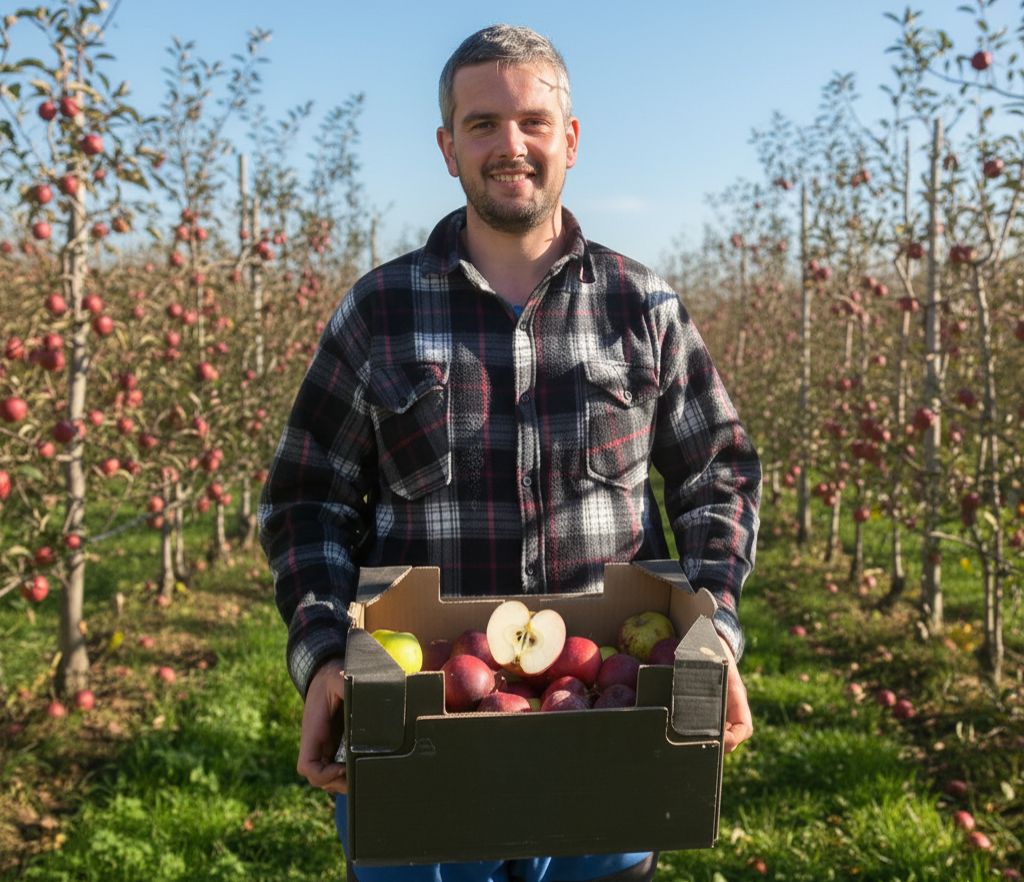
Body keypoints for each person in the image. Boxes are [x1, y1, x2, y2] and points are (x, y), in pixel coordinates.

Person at [259, 23, 761, 882]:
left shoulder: (643, 307)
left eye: (532, 120)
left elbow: (717, 472)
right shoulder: (379, 311)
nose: (511, 145)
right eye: (482, 124)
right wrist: (323, 656)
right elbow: (306, 501)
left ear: (570, 139)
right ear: (448, 147)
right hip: (420, 734)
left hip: (608, 722)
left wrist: (708, 625)